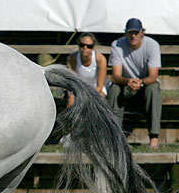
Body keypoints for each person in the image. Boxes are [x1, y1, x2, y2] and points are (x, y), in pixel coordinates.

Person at [107, 18, 162, 149]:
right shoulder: (117, 45)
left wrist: (140, 82)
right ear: (125, 33)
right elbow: (116, 75)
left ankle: (154, 137)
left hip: (145, 84)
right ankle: (114, 137)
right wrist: (128, 81)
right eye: (130, 32)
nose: (133, 36)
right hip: (125, 84)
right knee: (114, 90)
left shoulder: (152, 45)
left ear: (142, 33)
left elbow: (153, 76)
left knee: (154, 89)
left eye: (136, 33)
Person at [65, 32, 108, 107]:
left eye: (89, 46)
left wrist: (88, 97)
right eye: (82, 45)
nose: (85, 48)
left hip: (96, 87)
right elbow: (72, 82)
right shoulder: (72, 58)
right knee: (71, 100)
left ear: (93, 47)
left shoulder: (101, 59)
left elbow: (100, 85)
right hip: (78, 87)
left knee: (99, 99)